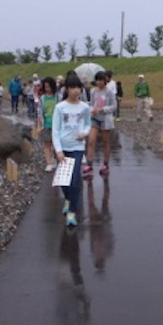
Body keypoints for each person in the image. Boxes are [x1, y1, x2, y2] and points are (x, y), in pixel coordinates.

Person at [53, 75, 91, 228]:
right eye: (72, 88)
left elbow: (88, 124)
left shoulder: (84, 107)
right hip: (63, 147)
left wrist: (85, 133)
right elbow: (55, 130)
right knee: (64, 181)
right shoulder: (60, 107)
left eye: (78, 88)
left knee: (75, 180)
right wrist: (58, 150)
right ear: (66, 89)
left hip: (77, 147)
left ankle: (72, 212)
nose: (76, 91)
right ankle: (69, 200)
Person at [83, 71, 116, 177]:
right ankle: (89, 164)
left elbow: (113, 106)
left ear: (105, 81)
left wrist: (102, 109)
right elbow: (91, 103)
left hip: (105, 119)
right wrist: (92, 109)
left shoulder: (109, 92)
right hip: (95, 118)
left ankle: (105, 163)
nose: (99, 82)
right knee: (91, 141)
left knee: (105, 142)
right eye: (97, 80)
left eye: (101, 80)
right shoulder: (93, 91)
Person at [38, 77, 58, 172]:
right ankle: (49, 162)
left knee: (56, 144)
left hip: (57, 125)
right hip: (46, 124)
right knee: (47, 144)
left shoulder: (58, 97)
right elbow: (39, 112)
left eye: (49, 87)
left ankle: (55, 159)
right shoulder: (42, 98)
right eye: (45, 87)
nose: (47, 89)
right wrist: (39, 126)